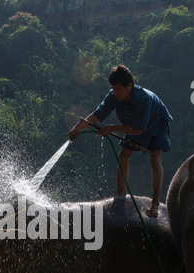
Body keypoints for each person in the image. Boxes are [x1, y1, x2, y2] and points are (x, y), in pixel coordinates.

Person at [68, 65, 173, 218]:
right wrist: (77, 128)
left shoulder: (144, 100)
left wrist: (111, 128)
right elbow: (97, 115)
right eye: (114, 88)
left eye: (119, 89)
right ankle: (120, 199)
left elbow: (139, 130)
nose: (116, 92)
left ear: (129, 86)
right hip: (131, 123)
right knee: (123, 156)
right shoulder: (113, 96)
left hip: (156, 122)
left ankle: (155, 204)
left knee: (155, 158)